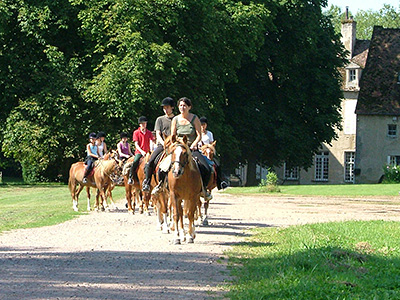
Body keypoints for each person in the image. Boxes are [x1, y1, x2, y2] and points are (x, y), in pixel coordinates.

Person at [171, 97, 213, 200]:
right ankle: (162, 186)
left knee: (206, 167)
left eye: (185, 105)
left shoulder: (194, 118)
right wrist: (178, 143)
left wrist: (194, 144)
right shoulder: (175, 119)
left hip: (191, 148)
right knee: (163, 166)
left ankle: (204, 189)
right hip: (179, 147)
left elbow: (199, 135)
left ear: (189, 107)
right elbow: (173, 135)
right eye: (180, 105)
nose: (182, 107)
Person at [142, 97, 175, 192]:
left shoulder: (176, 119)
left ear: (172, 107)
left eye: (167, 107)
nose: (165, 110)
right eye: (164, 108)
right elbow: (158, 134)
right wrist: (163, 143)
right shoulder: (160, 119)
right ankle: (147, 182)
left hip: (174, 144)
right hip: (163, 144)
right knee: (151, 160)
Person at [199, 117, 228, 190]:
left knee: (217, 165)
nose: (202, 126)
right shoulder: (197, 133)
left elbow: (212, 144)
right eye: (201, 125)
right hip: (200, 152)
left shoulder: (209, 134)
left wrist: (209, 147)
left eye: (204, 125)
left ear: (206, 125)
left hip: (208, 152)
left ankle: (220, 182)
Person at [128, 116, 155, 185]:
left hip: (148, 152)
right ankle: (131, 176)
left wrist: (151, 150)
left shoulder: (149, 132)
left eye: (145, 123)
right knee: (135, 161)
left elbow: (151, 142)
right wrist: (141, 151)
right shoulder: (136, 132)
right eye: (142, 124)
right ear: (140, 124)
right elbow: (136, 144)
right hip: (139, 152)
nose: (144, 125)